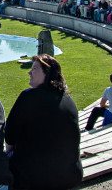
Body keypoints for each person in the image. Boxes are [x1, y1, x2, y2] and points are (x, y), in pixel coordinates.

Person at [5, 55, 83, 190]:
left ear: (47, 73)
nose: (29, 72)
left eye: (34, 68)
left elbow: (9, 137)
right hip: (71, 175)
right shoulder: (68, 99)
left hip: (35, 179)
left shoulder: (28, 96)